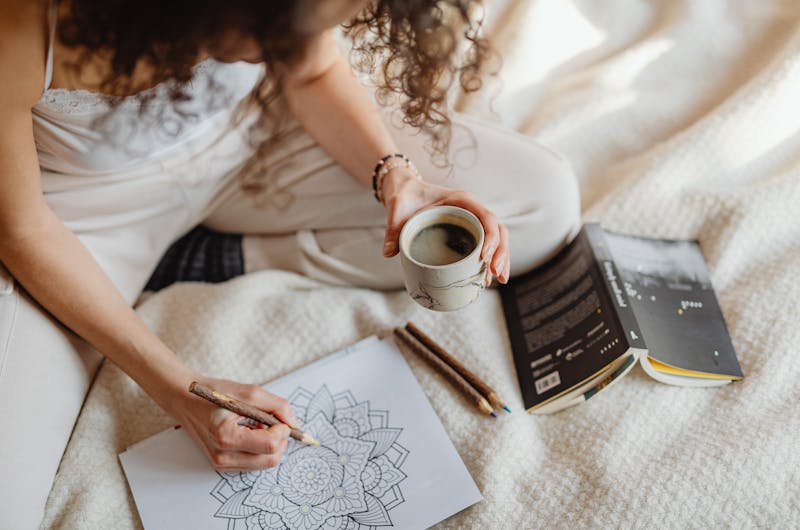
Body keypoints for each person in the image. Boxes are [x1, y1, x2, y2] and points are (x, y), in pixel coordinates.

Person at [0, 0, 579, 526]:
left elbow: (311, 71)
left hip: (253, 142)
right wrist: (183, 389)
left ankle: (225, 255)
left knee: (542, 201)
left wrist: (400, 181)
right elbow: (23, 230)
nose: (290, 45)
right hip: (84, 217)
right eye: (273, 31)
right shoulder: (19, 23)